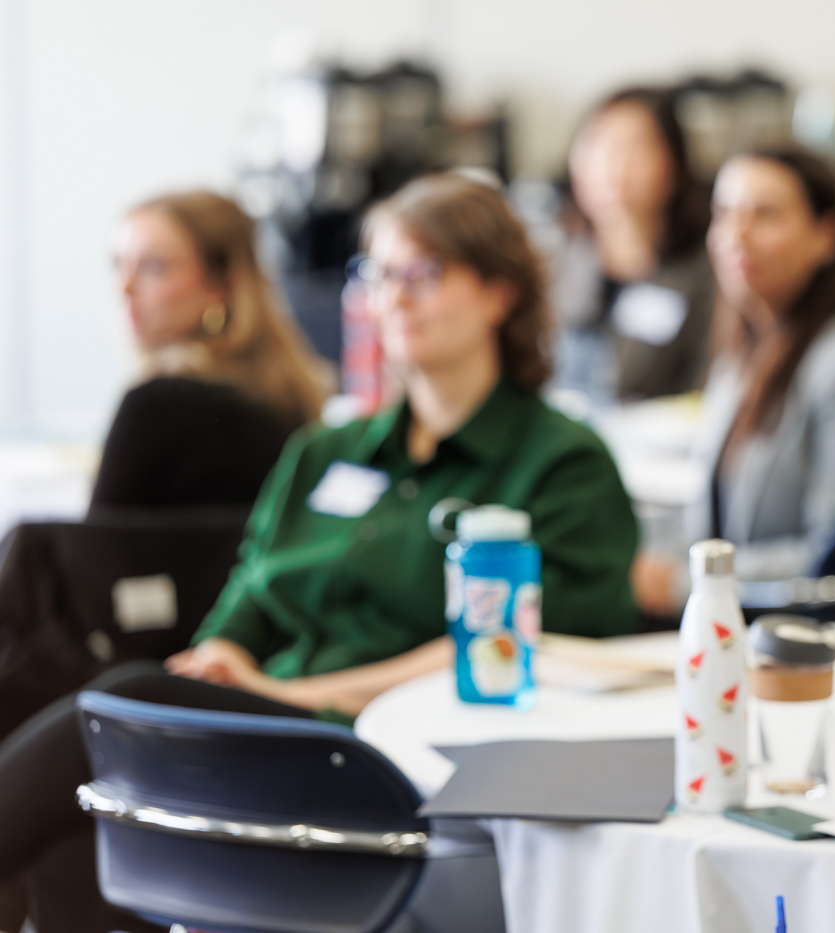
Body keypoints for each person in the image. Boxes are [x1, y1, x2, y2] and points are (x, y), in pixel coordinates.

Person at [0, 173, 638, 932]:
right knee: (89, 818)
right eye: (380, 273)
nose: (396, 296)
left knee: (125, 703)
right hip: (268, 727)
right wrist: (223, 656)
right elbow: (251, 587)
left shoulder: (560, 462)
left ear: (499, 294)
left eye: (425, 274)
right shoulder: (327, 449)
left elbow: (523, 646)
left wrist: (290, 696)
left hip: (389, 753)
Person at [633, 145, 835, 612]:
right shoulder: (743, 359)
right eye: (724, 213)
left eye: (765, 215)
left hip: (814, 637)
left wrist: (685, 581)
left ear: (826, 236)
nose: (736, 235)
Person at [93, 190, 326, 512]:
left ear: (222, 284)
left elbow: (90, 553)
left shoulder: (155, 405)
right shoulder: (292, 397)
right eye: (119, 263)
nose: (124, 287)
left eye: (154, 267)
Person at [551, 85, 715, 401]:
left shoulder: (704, 272)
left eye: (635, 148)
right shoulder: (550, 259)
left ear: (675, 163)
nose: (614, 165)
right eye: (598, 145)